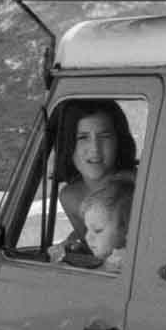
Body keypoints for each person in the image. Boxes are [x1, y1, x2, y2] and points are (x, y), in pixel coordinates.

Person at [53, 101, 138, 255]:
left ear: (118, 141)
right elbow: (94, 251)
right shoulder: (70, 197)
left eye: (104, 136)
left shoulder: (138, 186)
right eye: (83, 137)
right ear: (68, 143)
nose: (95, 149)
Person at [81, 175, 135, 269]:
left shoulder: (120, 263)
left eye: (98, 230)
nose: (87, 237)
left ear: (128, 229)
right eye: (87, 229)